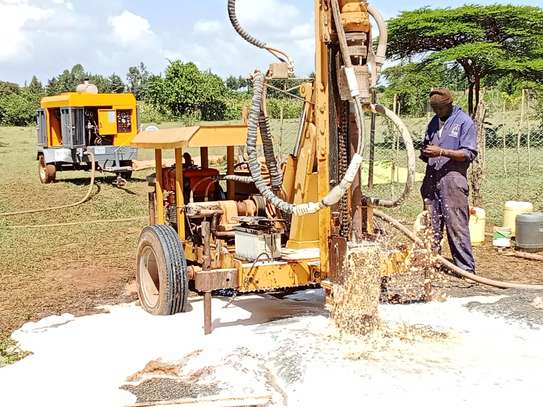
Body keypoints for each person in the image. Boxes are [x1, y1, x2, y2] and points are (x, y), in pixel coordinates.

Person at [420, 88, 478, 274]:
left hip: (453, 180)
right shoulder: (434, 122)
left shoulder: (464, 122)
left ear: (449, 105)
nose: (437, 113)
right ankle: (431, 265)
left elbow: (468, 153)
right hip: (432, 178)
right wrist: (425, 152)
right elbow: (429, 144)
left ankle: (465, 269)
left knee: (456, 224)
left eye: (440, 109)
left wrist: (442, 152)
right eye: (434, 109)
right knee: (431, 225)